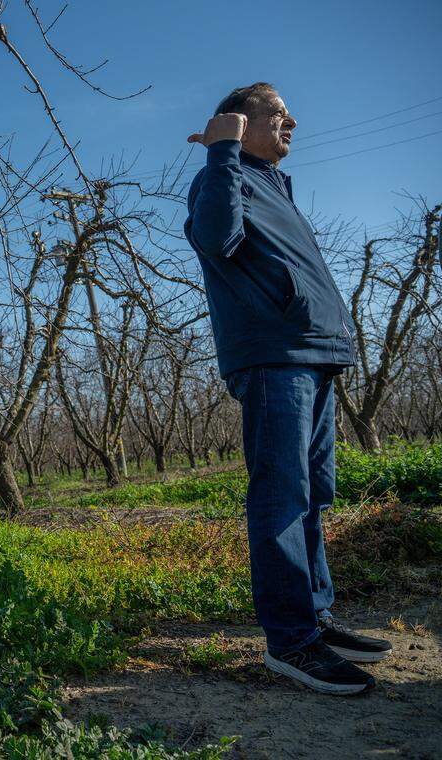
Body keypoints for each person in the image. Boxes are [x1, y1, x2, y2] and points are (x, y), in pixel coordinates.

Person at [184, 83, 392, 696]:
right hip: (275, 360)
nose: (292, 122)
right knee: (282, 498)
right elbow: (216, 239)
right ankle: (291, 642)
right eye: (278, 113)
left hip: (314, 356)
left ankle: (316, 619)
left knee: (314, 494)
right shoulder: (221, 178)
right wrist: (219, 154)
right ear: (237, 123)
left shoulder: (276, 186)